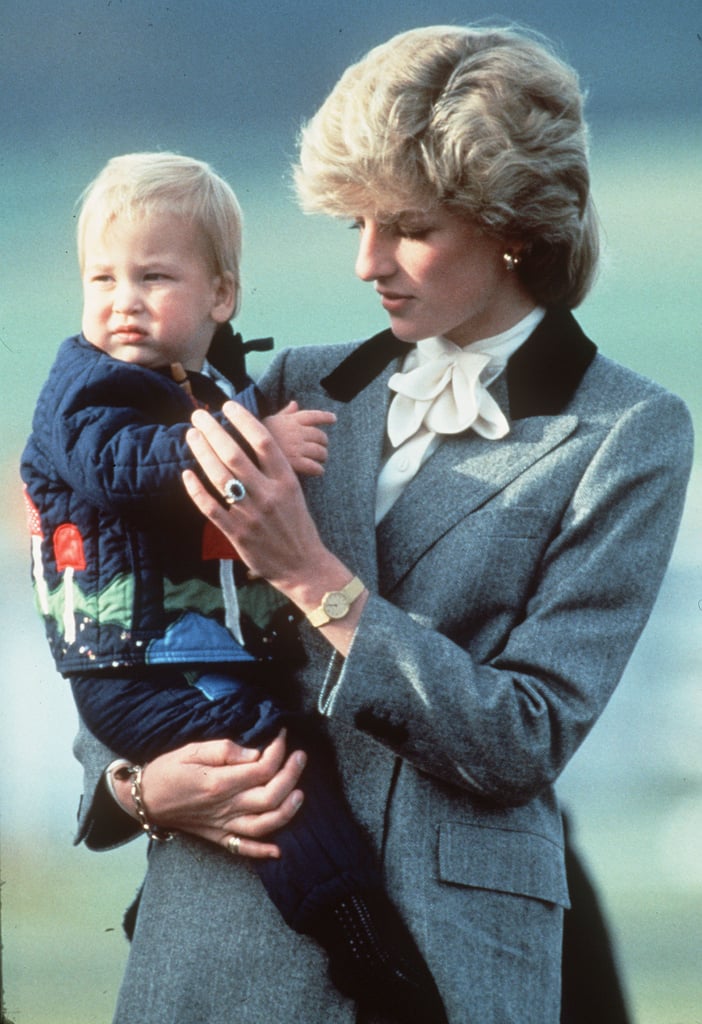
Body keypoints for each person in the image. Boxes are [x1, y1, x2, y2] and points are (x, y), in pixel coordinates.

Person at [69, 25, 693, 1024]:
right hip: (212, 942)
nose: (367, 262)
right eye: (356, 221)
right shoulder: (284, 385)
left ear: (512, 227)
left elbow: (526, 735)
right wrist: (137, 784)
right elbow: (127, 611)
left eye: (406, 226)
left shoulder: (631, 432)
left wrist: (313, 573)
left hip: (447, 962)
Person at [21, 151, 449, 1023]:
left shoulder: (205, 383)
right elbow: (120, 466)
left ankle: (345, 909)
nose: (122, 300)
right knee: (271, 766)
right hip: (136, 665)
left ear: (221, 296)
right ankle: (353, 929)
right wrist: (251, 440)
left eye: (153, 276)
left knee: (285, 749)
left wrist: (237, 414)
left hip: (185, 650)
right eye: (101, 278)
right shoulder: (88, 386)